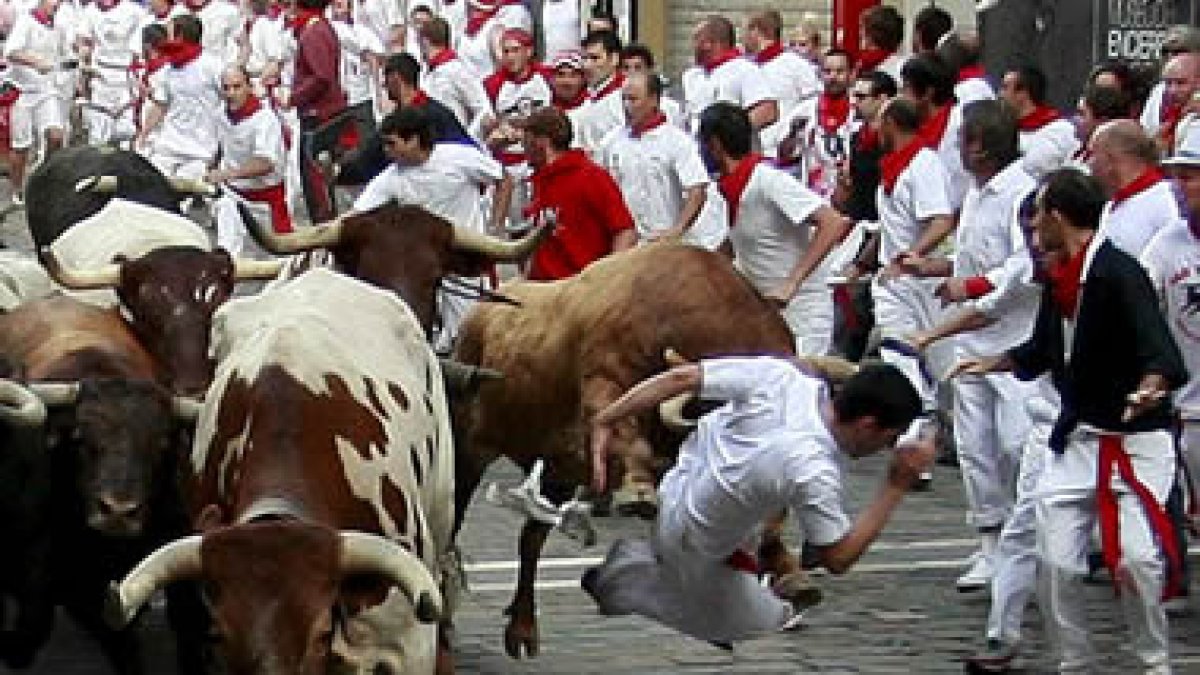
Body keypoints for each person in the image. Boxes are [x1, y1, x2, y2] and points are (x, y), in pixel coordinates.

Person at [955, 168, 1187, 675]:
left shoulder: (1118, 272)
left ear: (1058, 217)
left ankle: (1154, 662)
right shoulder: (1059, 278)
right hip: (1078, 439)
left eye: (1038, 216)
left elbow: (1161, 350)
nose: (1033, 227)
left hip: (1136, 442)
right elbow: (1045, 349)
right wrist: (997, 361)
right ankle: (1074, 662)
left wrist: (1151, 385)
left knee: (1138, 561)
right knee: (1056, 560)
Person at [582, 356, 934, 644]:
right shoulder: (812, 470)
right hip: (690, 549)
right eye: (889, 438)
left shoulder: (781, 377)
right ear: (868, 425)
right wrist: (895, 486)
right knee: (767, 618)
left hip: (676, 489)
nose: (885, 449)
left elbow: (681, 378)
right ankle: (627, 582)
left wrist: (606, 418)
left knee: (755, 510)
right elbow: (838, 559)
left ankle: (748, 555)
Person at [903, 100, 1041, 594]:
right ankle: (990, 544)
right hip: (971, 341)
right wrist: (937, 270)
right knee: (975, 446)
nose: (958, 148)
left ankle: (1026, 541)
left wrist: (975, 288)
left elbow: (1023, 269)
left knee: (1016, 442)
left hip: (1015, 343)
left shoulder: (1022, 194)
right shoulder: (978, 194)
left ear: (982, 144)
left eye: (964, 140)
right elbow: (970, 260)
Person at [350, 107, 513, 350]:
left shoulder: (459, 157)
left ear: (413, 140)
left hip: (465, 262)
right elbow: (355, 215)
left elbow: (504, 179)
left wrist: (495, 227)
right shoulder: (391, 179)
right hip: (424, 269)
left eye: (391, 144)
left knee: (475, 333)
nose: (386, 152)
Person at [700, 101, 851, 356]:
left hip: (802, 312)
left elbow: (833, 223)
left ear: (714, 145)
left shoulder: (769, 181)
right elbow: (739, 240)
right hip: (764, 314)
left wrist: (792, 282)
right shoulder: (727, 190)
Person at [1140, 125, 1200, 612]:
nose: (1182, 189)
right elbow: (1142, 309)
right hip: (1189, 402)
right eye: (1178, 177)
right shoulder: (1167, 244)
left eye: (1193, 177)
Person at [599, 73, 717, 248]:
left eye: (633, 99)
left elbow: (697, 190)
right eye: (624, 99)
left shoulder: (677, 141)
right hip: (626, 245)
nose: (627, 106)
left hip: (665, 245)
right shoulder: (611, 141)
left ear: (653, 99)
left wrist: (677, 229)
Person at [518, 106, 635, 281]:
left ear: (542, 142)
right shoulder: (539, 182)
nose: (524, 150)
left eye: (526, 142)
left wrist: (607, 280)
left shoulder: (591, 177)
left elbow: (625, 232)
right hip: (543, 293)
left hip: (581, 293)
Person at [334, 52, 473, 186]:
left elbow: (370, 159)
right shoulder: (440, 112)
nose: (384, 86)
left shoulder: (435, 115)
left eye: (386, 80)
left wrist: (337, 172)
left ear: (396, 78)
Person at [208, 65, 290, 256]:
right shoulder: (220, 115)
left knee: (279, 260)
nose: (231, 93)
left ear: (249, 87)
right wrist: (212, 166)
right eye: (226, 88)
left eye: (237, 87)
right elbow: (222, 145)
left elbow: (266, 162)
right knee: (226, 254)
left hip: (265, 202)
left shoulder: (265, 119)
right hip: (233, 197)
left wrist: (228, 174)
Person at [137, 14, 223, 183]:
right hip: (167, 146)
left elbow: (230, 101)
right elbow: (160, 105)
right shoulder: (167, 70)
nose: (163, 39)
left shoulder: (213, 66)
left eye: (168, 33)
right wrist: (143, 134)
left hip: (200, 151)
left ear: (180, 36)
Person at [4, 0, 71, 204]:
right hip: (23, 92)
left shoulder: (58, 27)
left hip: (47, 90)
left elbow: (64, 55)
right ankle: (17, 188)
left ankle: (46, 175)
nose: (57, 4)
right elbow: (11, 52)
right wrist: (35, 62)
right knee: (21, 146)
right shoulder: (25, 21)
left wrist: (77, 61)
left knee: (56, 136)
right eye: (53, 0)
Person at [287, 0, 348, 222]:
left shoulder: (313, 32)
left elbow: (321, 76)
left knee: (317, 186)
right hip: (322, 115)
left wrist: (293, 97)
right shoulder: (320, 27)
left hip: (319, 117)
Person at [1088, 119, 1181, 257]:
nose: (1089, 163)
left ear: (1111, 159)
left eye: (1093, 154)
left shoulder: (1168, 200)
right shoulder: (1111, 205)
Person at [680, 15, 776, 134]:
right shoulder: (691, 75)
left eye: (696, 39)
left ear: (710, 42)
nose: (693, 45)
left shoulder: (745, 69)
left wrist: (730, 134)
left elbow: (766, 111)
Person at [778, 48, 855, 195]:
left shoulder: (859, 110)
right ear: (820, 74)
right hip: (813, 196)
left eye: (840, 71)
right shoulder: (804, 110)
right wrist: (793, 134)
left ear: (851, 74)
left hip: (850, 194)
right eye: (827, 71)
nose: (833, 77)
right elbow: (784, 156)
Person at [744, 10, 818, 162]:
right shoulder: (744, 68)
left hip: (786, 157)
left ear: (756, 31)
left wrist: (792, 138)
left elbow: (814, 105)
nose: (742, 38)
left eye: (746, 31)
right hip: (750, 155)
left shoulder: (797, 65)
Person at [78, 0, 146, 147]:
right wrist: (83, 62)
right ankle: (97, 165)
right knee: (98, 132)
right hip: (100, 75)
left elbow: (141, 45)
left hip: (125, 75)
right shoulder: (90, 10)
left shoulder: (134, 11)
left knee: (126, 130)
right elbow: (84, 41)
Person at [999, 65, 1078, 181]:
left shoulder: (1062, 130)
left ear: (1023, 93)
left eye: (1005, 88)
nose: (1000, 94)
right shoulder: (1004, 131)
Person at [418, 16, 490, 130]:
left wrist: (468, 138)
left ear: (424, 41)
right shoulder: (425, 73)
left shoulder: (458, 70)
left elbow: (484, 110)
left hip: (454, 141)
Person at [577, 29, 624, 151]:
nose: (587, 65)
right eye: (584, 58)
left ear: (614, 59)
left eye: (595, 58)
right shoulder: (589, 97)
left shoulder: (624, 99)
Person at [857, 5, 904, 81]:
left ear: (871, 34)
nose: (859, 33)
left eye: (861, 27)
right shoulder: (903, 65)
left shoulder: (865, 64)